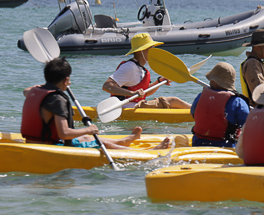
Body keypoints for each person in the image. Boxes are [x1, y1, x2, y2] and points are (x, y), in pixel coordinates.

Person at [22, 56, 165, 149]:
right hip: (52, 146)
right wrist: (89, 129)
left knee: (84, 138)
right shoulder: (57, 100)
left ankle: (125, 140)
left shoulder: (34, 91)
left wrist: (49, 84)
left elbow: (26, 91)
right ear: (66, 80)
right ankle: (149, 151)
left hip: (35, 140)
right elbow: (64, 133)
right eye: (68, 79)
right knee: (102, 144)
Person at [102, 33, 190, 109]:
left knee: (174, 103)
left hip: (136, 106)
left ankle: (194, 111)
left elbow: (145, 93)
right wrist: (132, 93)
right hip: (126, 107)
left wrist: (159, 82)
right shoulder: (130, 67)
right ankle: (196, 112)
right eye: (151, 47)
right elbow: (107, 86)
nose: (154, 50)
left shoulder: (141, 69)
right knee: (173, 101)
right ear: (141, 51)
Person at [189, 62, 250, 148]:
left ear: (214, 82)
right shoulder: (238, 102)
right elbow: (247, 126)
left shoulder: (200, 97)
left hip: (198, 144)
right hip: (226, 147)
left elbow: (193, 114)